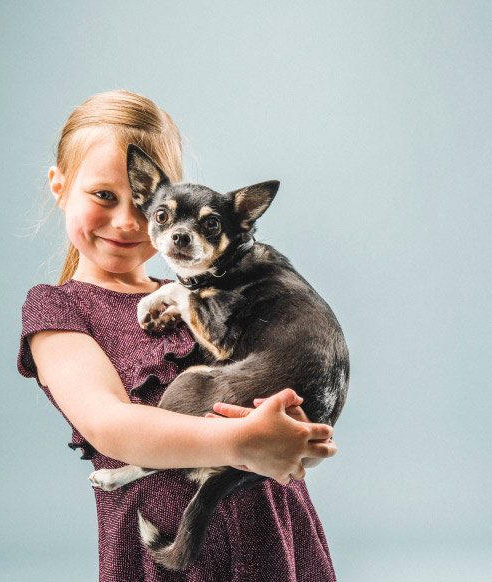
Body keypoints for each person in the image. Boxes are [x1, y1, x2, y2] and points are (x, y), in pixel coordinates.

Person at [17, 90, 338, 582]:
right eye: (104, 195)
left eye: (141, 203)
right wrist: (240, 441)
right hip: (168, 557)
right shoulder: (59, 307)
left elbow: (275, 389)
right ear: (59, 187)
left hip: (273, 528)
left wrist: (295, 438)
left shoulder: (205, 295)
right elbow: (110, 426)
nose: (128, 221)